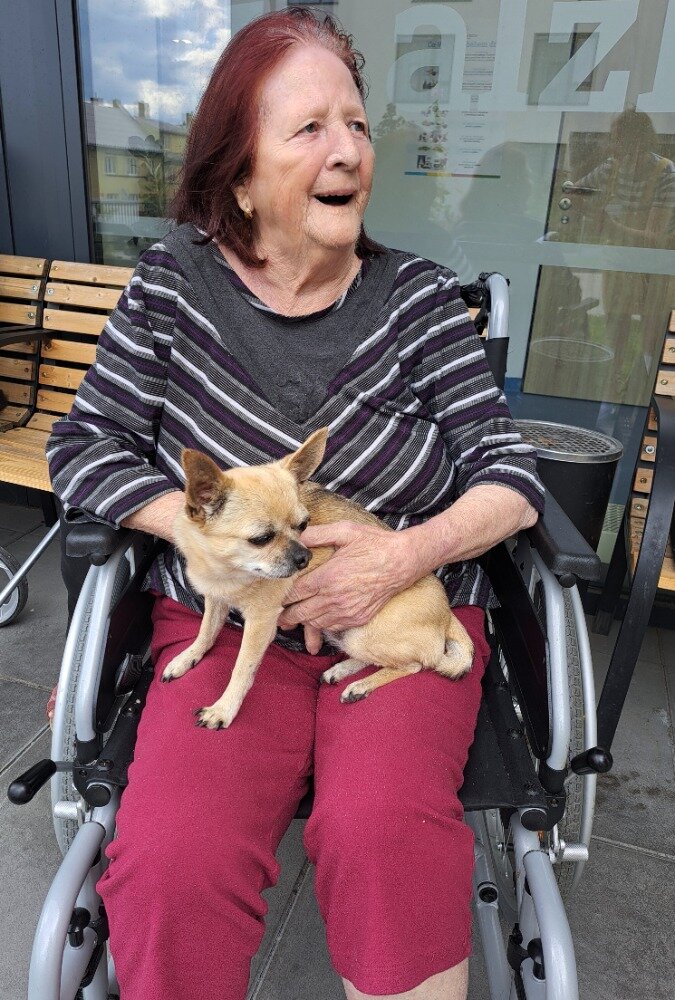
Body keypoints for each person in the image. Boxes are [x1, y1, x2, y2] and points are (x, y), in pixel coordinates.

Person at [46, 9, 543, 1000]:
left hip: (398, 613)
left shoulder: (419, 300)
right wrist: (197, 532)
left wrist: (403, 556)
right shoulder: (171, 287)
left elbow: (511, 474)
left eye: (356, 124)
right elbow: (83, 445)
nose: (347, 149)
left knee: (386, 835)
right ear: (239, 175)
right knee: (172, 860)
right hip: (229, 621)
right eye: (310, 127)